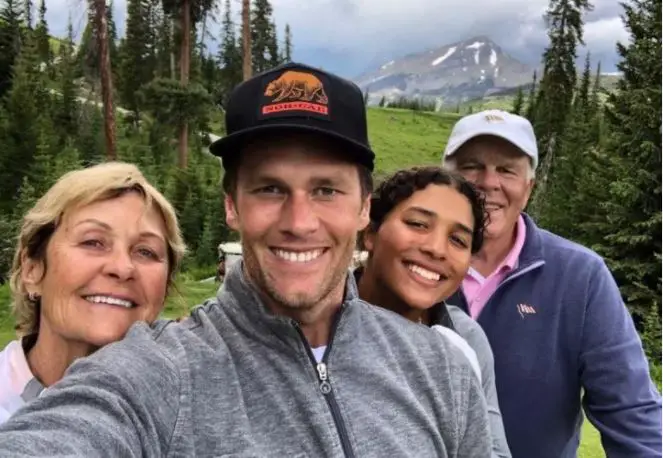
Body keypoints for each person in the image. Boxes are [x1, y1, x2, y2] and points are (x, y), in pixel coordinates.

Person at [0, 62, 491, 457]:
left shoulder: (439, 368)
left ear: (363, 207)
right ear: (232, 205)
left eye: (326, 189)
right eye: (270, 188)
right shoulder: (161, 372)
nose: (299, 221)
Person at [441, 109, 662, 458]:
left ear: (528, 188)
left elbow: (630, 408)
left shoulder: (581, 276)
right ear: (446, 180)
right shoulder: (413, 266)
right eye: (471, 166)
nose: (488, 182)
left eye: (507, 170)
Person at [0, 162, 186, 423]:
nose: (123, 268)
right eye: (93, 242)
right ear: (32, 269)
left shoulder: (187, 412)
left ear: (165, 288)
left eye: (146, 251)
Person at [356, 165, 511, 458]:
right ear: (371, 233)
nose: (437, 249)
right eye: (418, 224)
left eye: (458, 240)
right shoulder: (318, 323)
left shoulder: (464, 341)